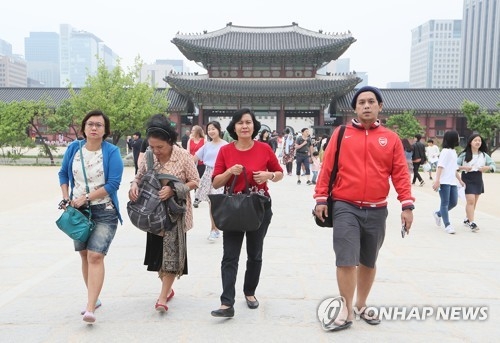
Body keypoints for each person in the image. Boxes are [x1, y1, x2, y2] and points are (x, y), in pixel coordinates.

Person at [313, 86, 414, 331]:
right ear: (355, 109)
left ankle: (361, 303)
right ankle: (346, 309)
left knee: (369, 261)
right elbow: (327, 168)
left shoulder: (390, 138)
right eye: (361, 102)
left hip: (377, 208)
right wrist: (320, 198)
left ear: (380, 106)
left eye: (371, 101)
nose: (366, 105)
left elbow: (400, 173)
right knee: (346, 260)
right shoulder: (341, 133)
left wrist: (406, 204)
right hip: (345, 205)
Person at [210, 108, 283, 318]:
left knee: (255, 254)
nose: (244, 126)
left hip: (258, 208)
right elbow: (216, 182)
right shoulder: (225, 151)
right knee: (230, 256)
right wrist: (228, 172)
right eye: (240, 122)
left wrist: (269, 175)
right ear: (234, 127)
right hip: (233, 209)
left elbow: (280, 173)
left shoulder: (264, 149)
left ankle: (250, 292)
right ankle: (226, 302)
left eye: (248, 122)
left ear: (254, 126)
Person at [58, 109, 124, 324]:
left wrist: (86, 197)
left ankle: (89, 307)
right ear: (84, 127)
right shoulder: (73, 149)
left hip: (104, 210)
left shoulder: (112, 152)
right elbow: (63, 174)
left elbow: (113, 184)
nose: (94, 128)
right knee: (85, 255)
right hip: (78, 212)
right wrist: (66, 197)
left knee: (96, 255)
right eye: (90, 124)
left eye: (99, 125)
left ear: (105, 130)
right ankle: (93, 299)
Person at [128, 115, 200, 313]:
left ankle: (162, 297)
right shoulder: (150, 156)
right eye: (152, 146)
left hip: (175, 216)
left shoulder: (183, 156)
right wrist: (134, 185)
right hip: (154, 215)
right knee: (159, 257)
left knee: (172, 257)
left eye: (160, 147)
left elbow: (195, 181)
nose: (156, 151)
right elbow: (139, 176)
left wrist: (174, 190)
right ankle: (167, 288)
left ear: (170, 141)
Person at [192, 121, 228, 241]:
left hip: (221, 174)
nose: (211, 131)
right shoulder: (206, 145)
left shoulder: (225, 145)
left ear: (219, 129)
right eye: (209, 129)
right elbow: (194, 158)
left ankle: (219, 227)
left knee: (219, 202)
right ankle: (214, 229)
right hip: (208, 174)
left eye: (213, 129)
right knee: (212, 203)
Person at [457, 134, 496, 232]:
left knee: (474, 202)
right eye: (475, 140)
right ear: (470, 142)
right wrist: (463, 167)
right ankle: (472, 223)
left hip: (478, 178)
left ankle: (467, 219)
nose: (478, 142)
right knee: (470, 201)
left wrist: (488, 168)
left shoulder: (483, 155)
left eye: (479, 140)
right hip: (467, 178)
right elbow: (455, 165)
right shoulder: (464, 154)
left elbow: (492, 165)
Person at [431, 130, 464, 234]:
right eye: (458, 136)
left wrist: (459, 180)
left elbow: (453, 168)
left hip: (452, 181)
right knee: (444, 203)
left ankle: (438, 214)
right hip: (444, 181)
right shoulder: (445, 151)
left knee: (453, 202)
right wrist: (437, 180)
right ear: (453, 138)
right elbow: (440, 166)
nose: (459, 138)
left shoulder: (453, 152)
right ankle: (447, 225)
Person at [188, 125, 206, 207]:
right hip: (192, 163)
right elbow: (187, 151)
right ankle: (196, 196)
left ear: (198, 131)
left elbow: (206, 152)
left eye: (193, 130)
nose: (191, 131)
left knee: (201, 179)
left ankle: (198, 196)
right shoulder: (190, 140)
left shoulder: (204, 141)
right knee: (194, 179)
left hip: (201, 163)